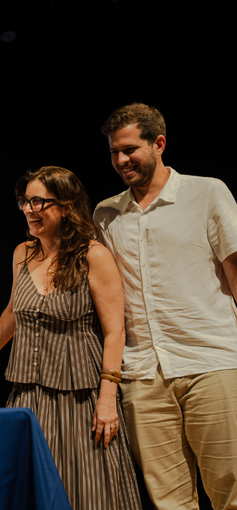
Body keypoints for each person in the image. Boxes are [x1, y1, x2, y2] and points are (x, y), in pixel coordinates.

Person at [94, 103, 237, 510]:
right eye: (113, 152)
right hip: (142, 376)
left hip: (212, 361)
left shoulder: (207, 192)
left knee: (231, 492)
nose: (121, 160)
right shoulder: (106, 213)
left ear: (159, 143)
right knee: (169, 502)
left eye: (129, 149)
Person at [0, 166, 141, 509]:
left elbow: (115, 332)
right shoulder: (23, 253)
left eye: (38, 201)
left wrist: (107, 398)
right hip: (29, 395)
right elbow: (13, 312)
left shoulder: (92, 255)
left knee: (89, 489)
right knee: (33, 487)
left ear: (66, 205)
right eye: (24, 201)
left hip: (80, 398)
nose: (29, 209)